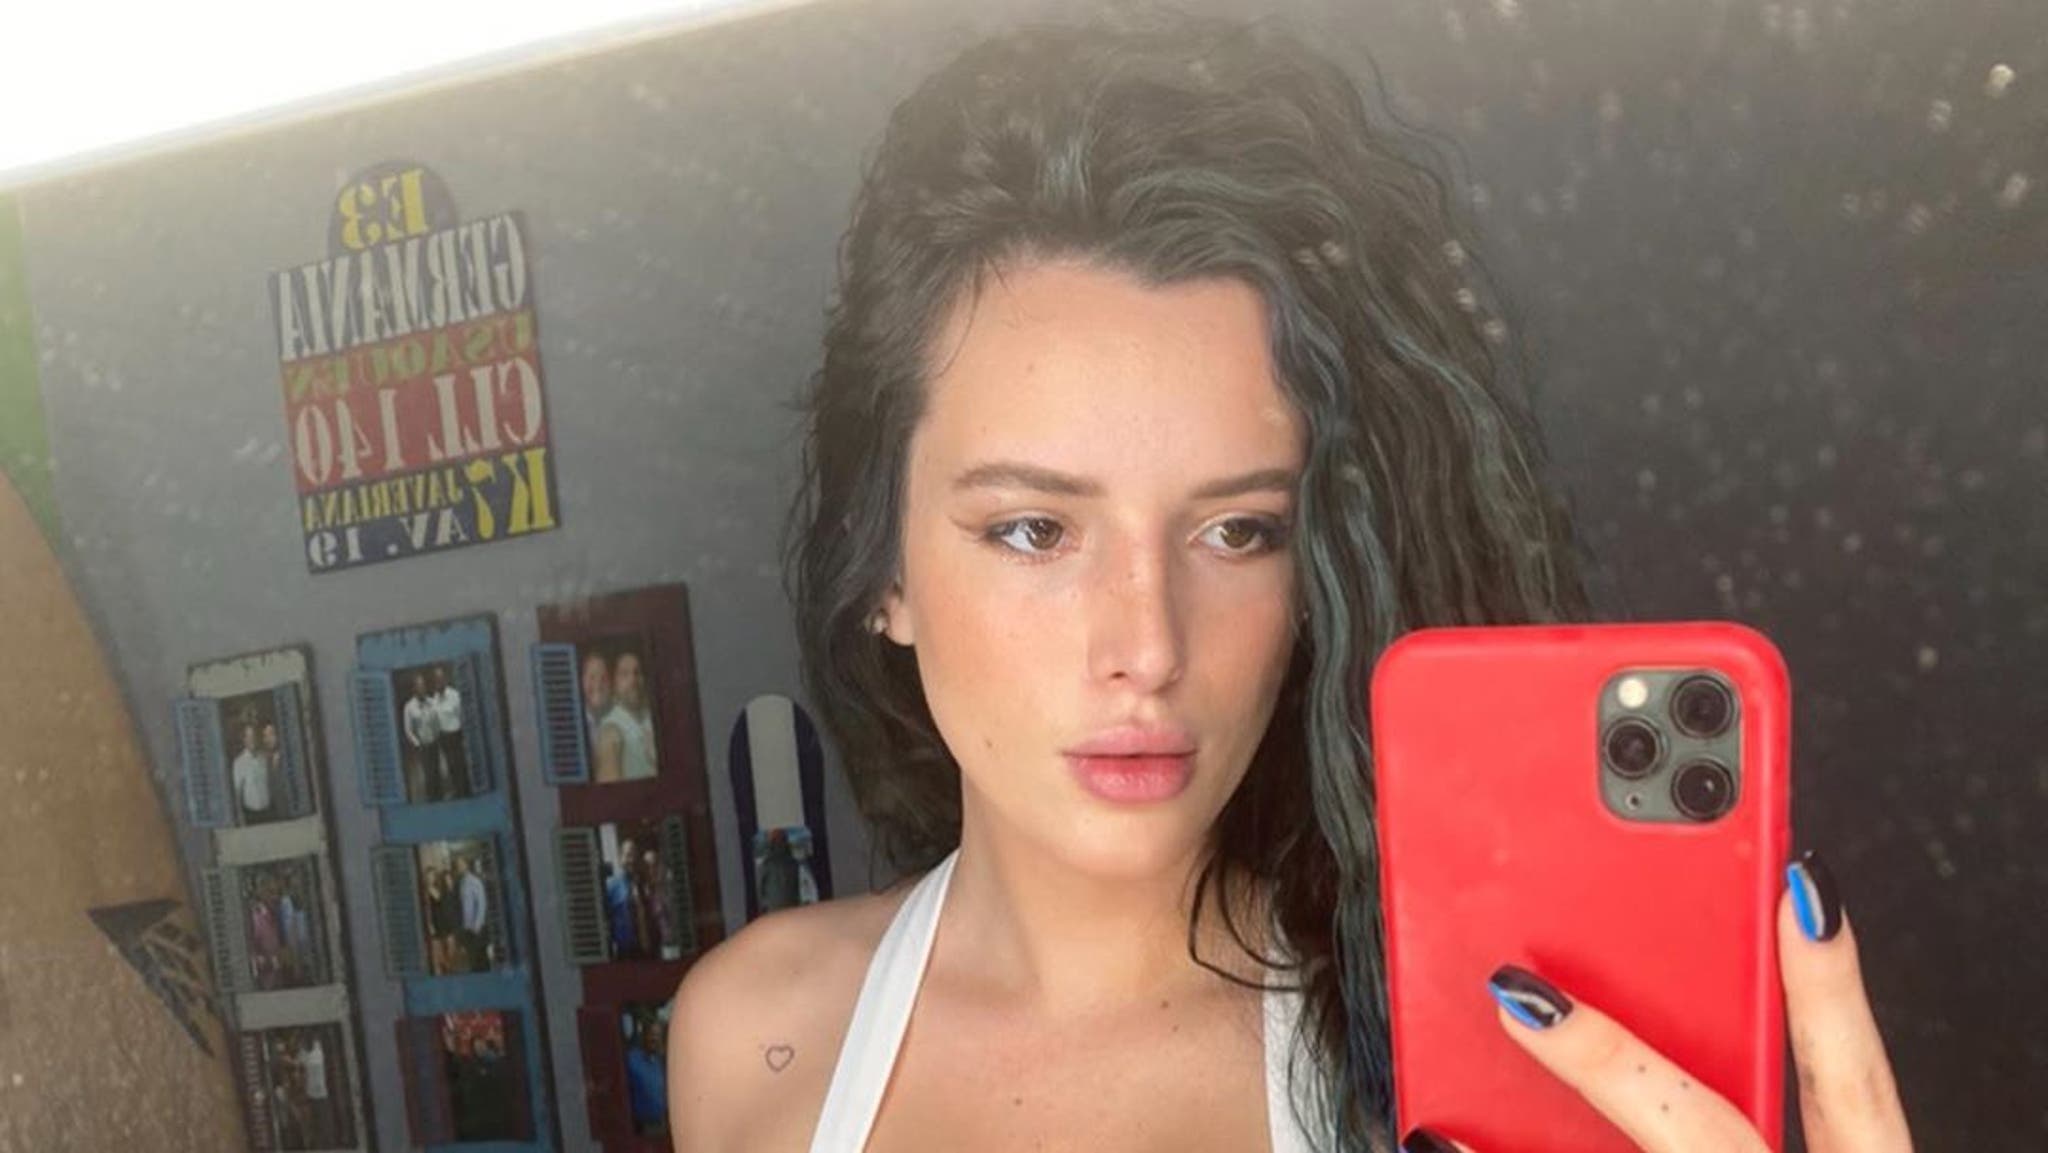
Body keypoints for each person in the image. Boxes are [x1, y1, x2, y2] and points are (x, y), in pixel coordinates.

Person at [666, 13, 1916, 1153]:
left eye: (1237, 531)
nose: (1148, 644)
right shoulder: (755, 1036)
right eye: (1035, 530)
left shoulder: (1440, 1068)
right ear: (882, 571)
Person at [596, 651, 658, 782]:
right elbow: (612, 791)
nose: (633, 680)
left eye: (637, 673)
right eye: (624, 674)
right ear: (615, 683)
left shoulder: (651, 717)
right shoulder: (611, 729)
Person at [625, 1011, 670, 1135]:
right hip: (642, 1126)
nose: (655, 1039)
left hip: (662, 1122)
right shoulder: (630, 1060)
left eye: (658, 1035)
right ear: (643, 1035)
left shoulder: (659, 1060)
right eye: (652, 1034)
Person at [432, 666, 471, 798]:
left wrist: (463, 736)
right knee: (450, 766)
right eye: (436, 679)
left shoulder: (454, 695)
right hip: (444, 737)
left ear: (445, 679)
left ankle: (465, 792)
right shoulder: (435, 698)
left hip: (456, 735)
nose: (439, 682)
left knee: (461, 765)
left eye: (440, 678)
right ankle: (457, 791)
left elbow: (462, 716)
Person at [402, 672, 441, 802]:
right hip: (422, 746)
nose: (422, 688)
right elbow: (408, 730)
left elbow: (437, 720)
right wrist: (417, 743)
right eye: (419, 686)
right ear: (414, 688)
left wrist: (437, 735)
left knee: (436, 772)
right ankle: (431, 799)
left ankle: (440, 797)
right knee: (428, 774)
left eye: (423, 685)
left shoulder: (432, 702)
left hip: (434, 742)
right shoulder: (409, 707)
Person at [230, 722, 272, 825]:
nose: (252, 740)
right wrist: (240, 818)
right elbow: (237, 792)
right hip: (251, 815)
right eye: (249, 737)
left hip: (269, 813)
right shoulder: (239, 762)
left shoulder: (264, 758)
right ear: (244, 739)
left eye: (253, 736)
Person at [581, 648, 614, 765]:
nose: (598, 684)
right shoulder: (572, 724)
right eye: (592, 677)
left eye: (603, 678)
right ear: (582, 681)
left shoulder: (620, 721)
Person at [458, 853, 491, 971]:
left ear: (466, 865)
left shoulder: (475, 882)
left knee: (481, 958)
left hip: (476, 928)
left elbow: (482, 904)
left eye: (460, 864)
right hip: (468, 928)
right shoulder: (461, 882)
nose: (458, 867)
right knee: (473, 959)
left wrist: (477, 925)